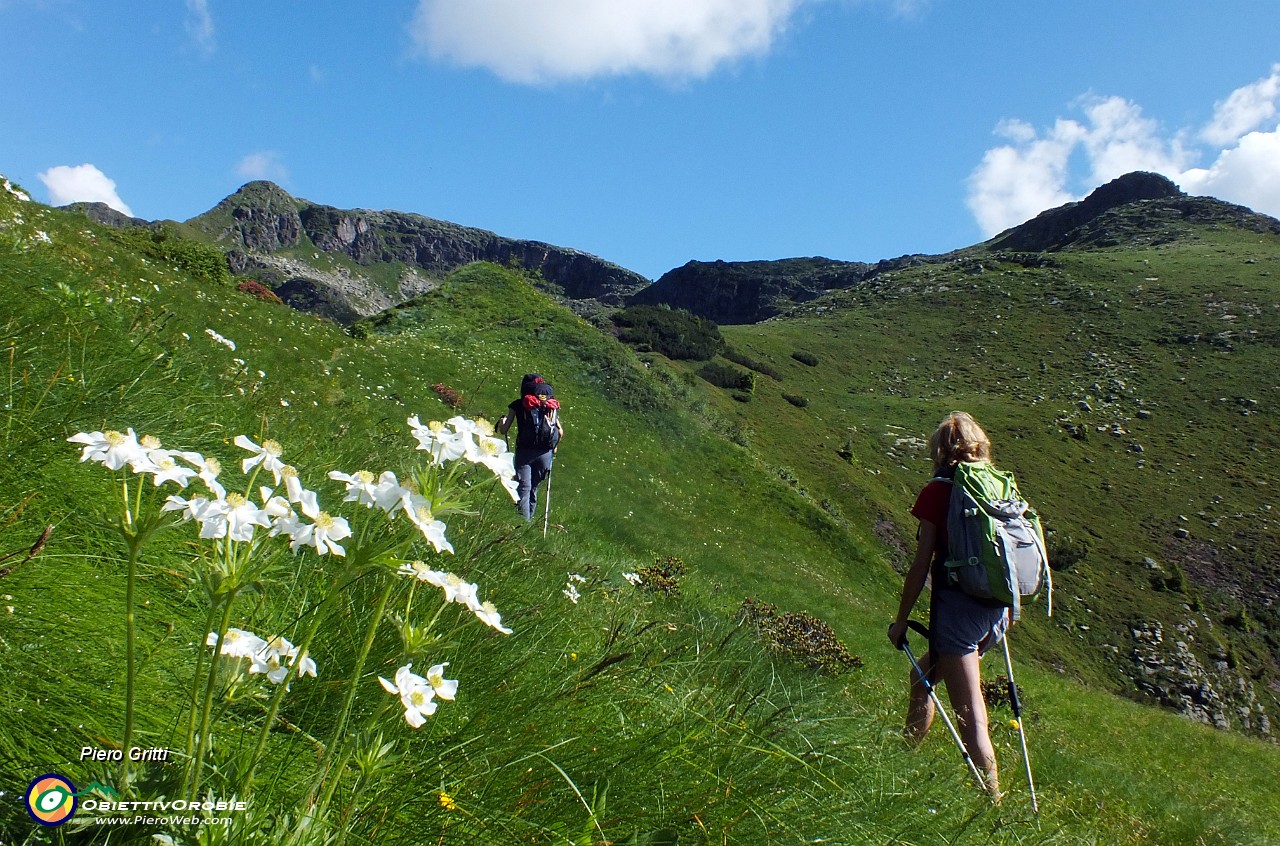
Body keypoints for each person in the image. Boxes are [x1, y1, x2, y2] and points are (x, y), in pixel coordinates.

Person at [888, 411, 1009, 800]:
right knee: (921, 679)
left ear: (939, 449)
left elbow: (921, 564)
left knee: (971, 717)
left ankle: (993, 803)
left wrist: (901, 620)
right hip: (998, 612)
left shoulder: (938, 492)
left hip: (959, 617)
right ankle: (903, 759)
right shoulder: (996, 486)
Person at [496, 374, 564, 522]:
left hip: (524, 451)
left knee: (523, 488)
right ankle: (528, 520)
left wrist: (502, 422)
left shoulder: (519, 404)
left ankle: (523, 524)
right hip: (545, 452)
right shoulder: (548, 405)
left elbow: (504, 430)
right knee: (533, 488)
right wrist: (555, 447)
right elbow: (560, 431)